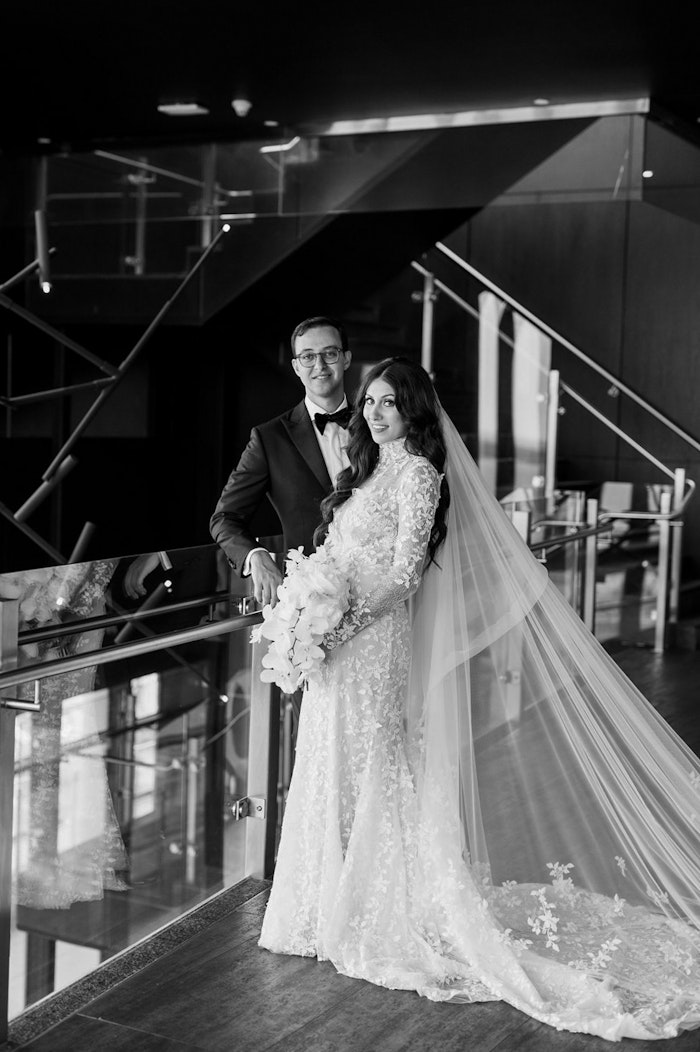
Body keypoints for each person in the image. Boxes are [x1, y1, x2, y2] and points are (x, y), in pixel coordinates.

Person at [258, 356, 700, 1042]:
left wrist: (336, 626)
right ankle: (315, 904)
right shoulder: (364, 470)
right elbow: (340, 557)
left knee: (375, 763)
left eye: (387, 403)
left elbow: (405, 574)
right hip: (335, 650)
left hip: (373, 645)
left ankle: (376, 904)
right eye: (369, 402)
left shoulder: (418, 475)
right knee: (326, 764)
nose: (372, 413)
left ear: (413, 411)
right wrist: (302, 618)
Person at [210, 315, 353, 608]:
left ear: (346, 359)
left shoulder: (378, 425)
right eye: (308, 356)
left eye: (330, 353)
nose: (320, 365)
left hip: (379, 590)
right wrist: (256, 556)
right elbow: (224, 518)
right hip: (312, 602)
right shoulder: (269, 438)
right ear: (296, 366)